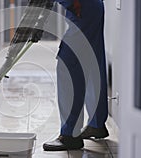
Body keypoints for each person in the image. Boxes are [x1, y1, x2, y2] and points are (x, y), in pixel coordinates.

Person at [42, 0, 109, 151]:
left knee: (68, 64)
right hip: (92, 7)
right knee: (92, 63)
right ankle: (96, 124)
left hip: (82, 8)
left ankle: (70, 136)